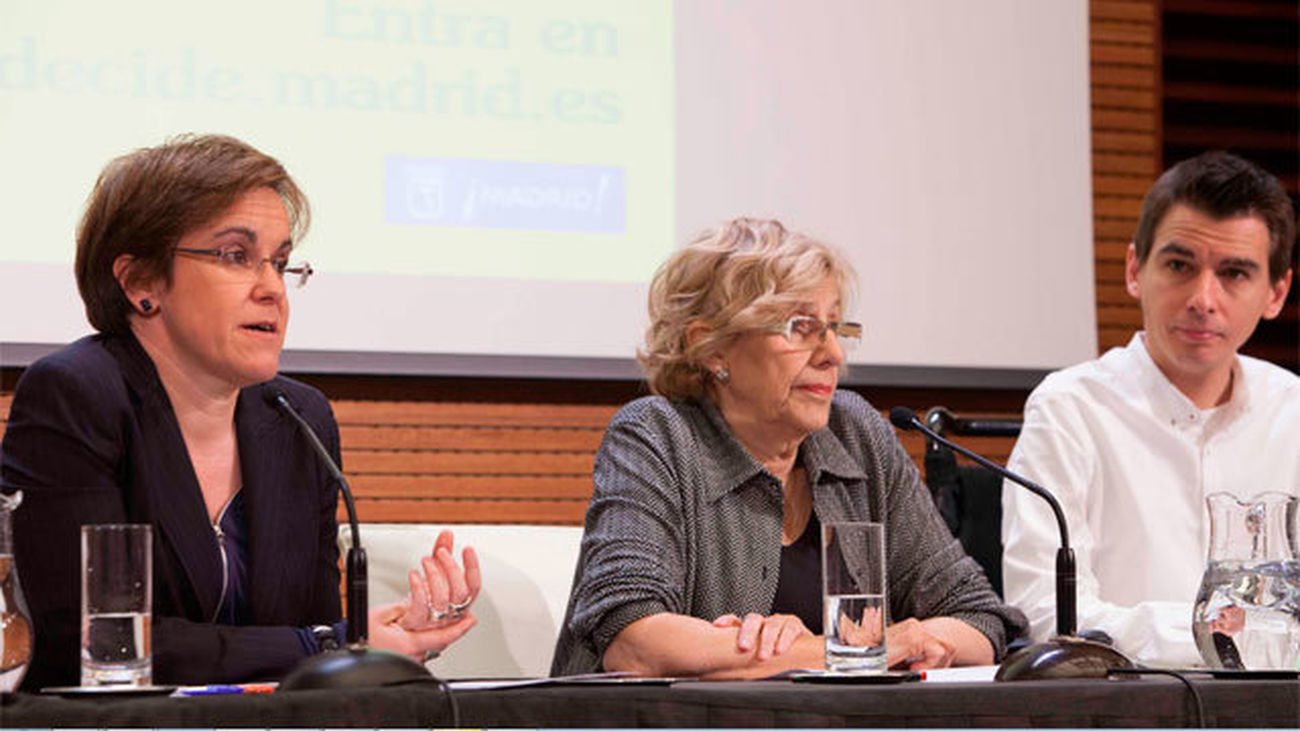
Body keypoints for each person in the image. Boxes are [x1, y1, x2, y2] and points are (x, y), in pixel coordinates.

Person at [0, 134, 481, 690]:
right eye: (236, 255)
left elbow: (309, 643)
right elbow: (95, 642)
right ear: (140, 283)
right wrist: (327, 643)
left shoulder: (298, 419)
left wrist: (382, 640)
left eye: (280, 262)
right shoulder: (77, 396)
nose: (273, 288)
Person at [551, 218, 1026, 678]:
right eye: (800, 327)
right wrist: (841, 651)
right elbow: (635, 642)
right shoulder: (658, 436)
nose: (833, 354)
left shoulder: (856, 434)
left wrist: (904, 641)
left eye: (836, 329)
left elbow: (978, 620)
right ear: (712, 348)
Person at [1001, 151, 1298, 666]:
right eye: (1180, 266)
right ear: (1135, 269)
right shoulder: (1070, 409)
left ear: (1276, 292)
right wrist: (1222, 633)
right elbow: (1048, 615)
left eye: (1234, 273)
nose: (1204, 298)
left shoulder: (1292, 411)